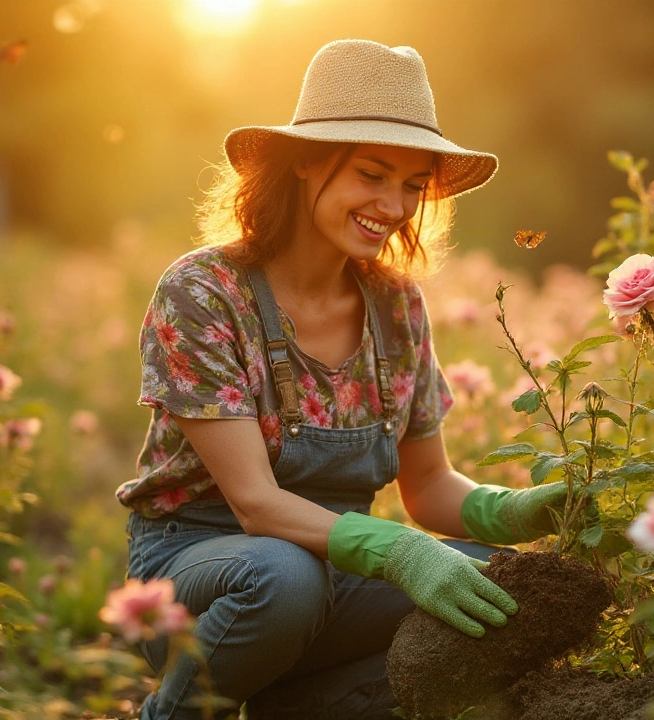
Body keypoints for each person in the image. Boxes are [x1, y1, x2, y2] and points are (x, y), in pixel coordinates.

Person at [119, 39, 576, 720]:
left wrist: (525, 512)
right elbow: (255, 506)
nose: (393, 206)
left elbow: (427, 487)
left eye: (413, 185)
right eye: (372, 173)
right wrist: (404, 553)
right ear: (304, 163)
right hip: (201, 574)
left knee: (508, 588)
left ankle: (306, 702)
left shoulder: (396, 306)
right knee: (283, 579)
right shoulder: (205, 292)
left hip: (340, 573)